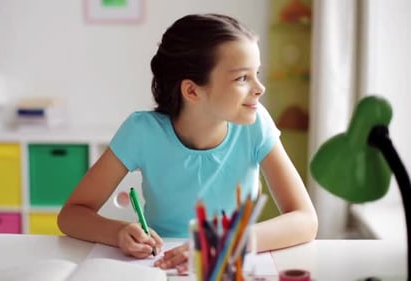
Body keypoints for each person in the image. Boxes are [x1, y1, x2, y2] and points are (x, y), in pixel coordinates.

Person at [57, 13, 318, 273]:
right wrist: (118, 232)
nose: (260, 88)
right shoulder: (142, 131)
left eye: (256, 73)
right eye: (242, 78)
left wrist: (222, 244)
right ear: (192, 91)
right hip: (162, 265)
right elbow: (71, 215)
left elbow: (305, 220)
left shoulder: (256, 124)